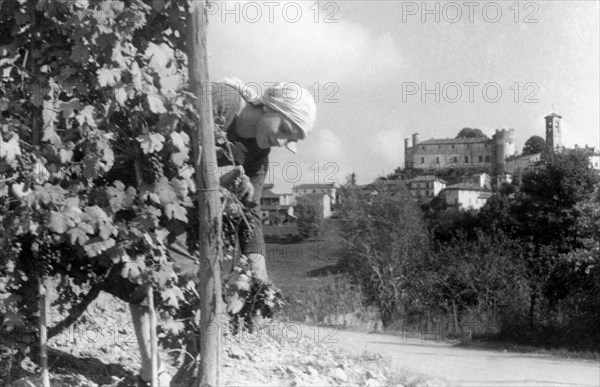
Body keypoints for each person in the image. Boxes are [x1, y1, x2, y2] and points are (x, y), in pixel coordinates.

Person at [131, 78, 317, 386]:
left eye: (291, 140)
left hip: (193, 217)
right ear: (269, 107)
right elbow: (168, 158)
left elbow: (251, 211)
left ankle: (188, 374)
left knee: (205, 290)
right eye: (284, 130)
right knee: (144, 280)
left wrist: (260, 275)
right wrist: (220, 175)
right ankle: (151, 372)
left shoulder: (258, 154)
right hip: (155, 194)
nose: (282, 143)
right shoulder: (221, 101)